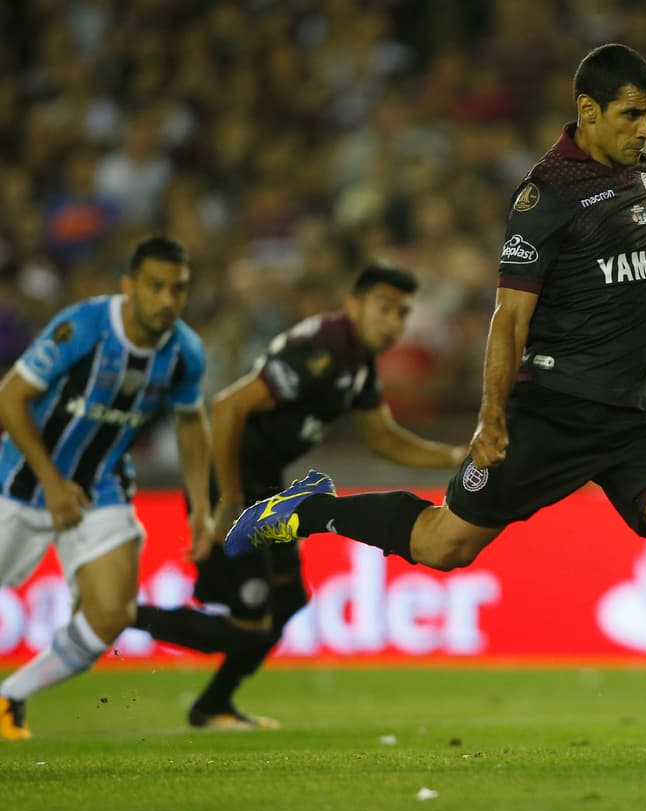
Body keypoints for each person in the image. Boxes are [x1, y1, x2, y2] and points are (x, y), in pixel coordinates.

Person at [225, 44, 646, 748]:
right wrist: (492, 418)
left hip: (633, 415)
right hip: (552, 411)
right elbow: (510, 317)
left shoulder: (637, 174)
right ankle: (309, 511)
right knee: (444, 546)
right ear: (587, 112)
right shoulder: (545, 197)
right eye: (632, 115)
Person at [133, 263, 466, 730]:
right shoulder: (322, 351)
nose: (393, 323)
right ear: (354, 306)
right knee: (248, 623)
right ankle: (118, 615)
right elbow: (229, 407)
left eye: (402, 314)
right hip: (227, 481)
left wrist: (457, 455)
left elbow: (384, 439)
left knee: (288, 601)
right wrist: (228, 497)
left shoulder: (357, 363)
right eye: (384, 308)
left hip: (264, 486)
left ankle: (213, 705)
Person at [0, 236, 212, 740]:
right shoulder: (85, 327)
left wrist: (201, 508)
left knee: (112, 611)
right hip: (19, 481)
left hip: (101, 488)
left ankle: (11, 698)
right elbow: (10, 398)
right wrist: (52, 482)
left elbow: (190, 422)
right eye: (156, 287)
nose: (167, 300)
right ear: (129, 287)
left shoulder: (184, 352)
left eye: (177, 290)